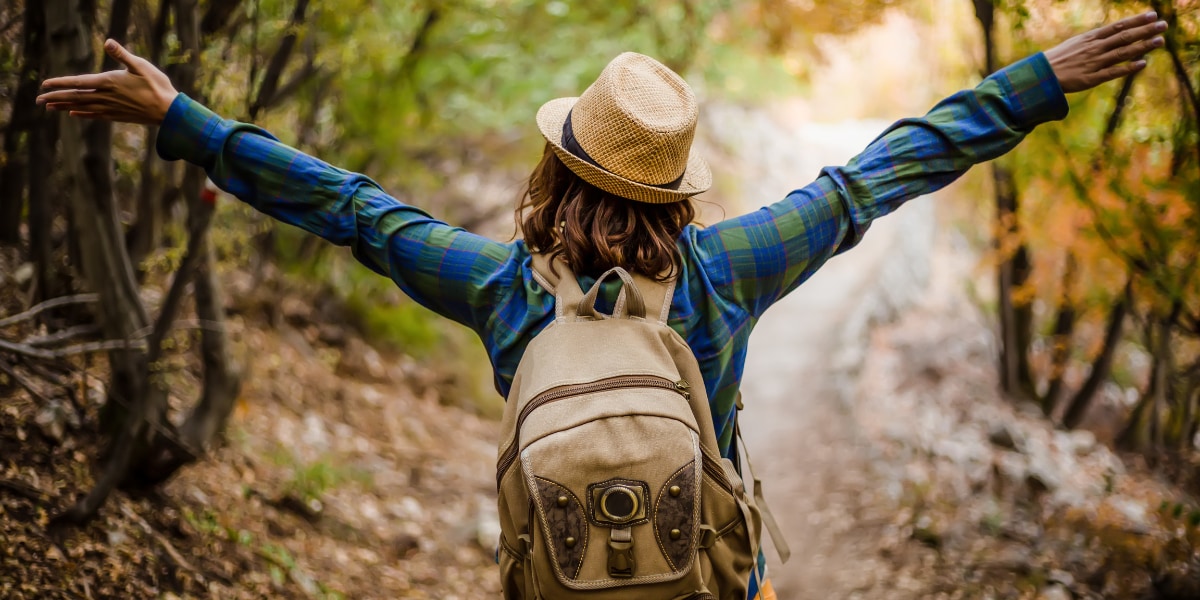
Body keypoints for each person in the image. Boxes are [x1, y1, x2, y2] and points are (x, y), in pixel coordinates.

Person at [38, 11, 1167, 599]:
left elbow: (351, 209)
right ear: (675, 185)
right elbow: (879, 173)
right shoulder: (728, 271)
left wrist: (187, 120)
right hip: (711, 577)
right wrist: (1035, 83)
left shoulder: (497, 288)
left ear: (555, 164)